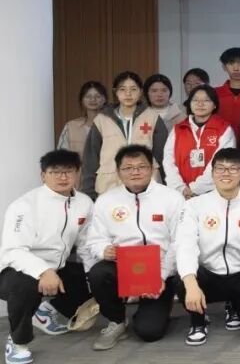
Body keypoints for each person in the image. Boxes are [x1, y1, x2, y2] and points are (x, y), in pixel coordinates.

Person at [83, 144, 185, 349]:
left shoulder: (172, 198)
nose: (135, 172)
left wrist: (161, 275)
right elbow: (94, 239)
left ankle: (155, 309)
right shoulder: (106, 200)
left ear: (152, 168)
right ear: (118, 171)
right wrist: (104, 249)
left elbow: (180, 241)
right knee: (99, 273)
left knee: (149, 332)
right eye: (128, 168)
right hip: (124, 266)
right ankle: (117, 321)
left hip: (161, 270)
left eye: (141, 167)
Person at [0, 150, 94, 363]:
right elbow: (14, 250)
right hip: (14, 270)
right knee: (25, 287)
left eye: (68, 171)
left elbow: (86, 243)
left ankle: (45, 313)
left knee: (95, 276)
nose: (63, 177)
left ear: (77, 173)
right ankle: (18, 342)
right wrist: (43, 271)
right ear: (43, 175)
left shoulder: (84, 202)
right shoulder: (24, 206)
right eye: (55, 172)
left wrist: (95, 269)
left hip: (58, 266)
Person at [175, 148, 240, 346]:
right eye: (220, 168)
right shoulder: (194, 206)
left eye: (233, 169)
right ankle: (198, 321)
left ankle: (235, 307)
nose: (226, 173)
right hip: (209, 275)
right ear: (212, 173)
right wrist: (191, 285)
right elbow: (185, 245)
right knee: (182, 278)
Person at [81, 71, 168, 198]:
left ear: (141, 92)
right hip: (110, 186)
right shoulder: (102, 120)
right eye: (122, 89)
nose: (128, 94)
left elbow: (163, 156)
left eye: (133, 89)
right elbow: (91, 159)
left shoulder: (152, 117)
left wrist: (166, 186)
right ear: (115, 92)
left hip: (147, 186)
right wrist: (89, 192)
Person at [164, 84, 236, 199]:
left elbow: (221, 163)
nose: (200, 104)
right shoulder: (178, 130)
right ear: (189, 103)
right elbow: (168, 161)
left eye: (206, 100)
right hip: (180, 195)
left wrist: (194, 189)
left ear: (214, 105)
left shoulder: (224, 129)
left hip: (213, 194)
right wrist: (180, 188)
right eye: (195, 100)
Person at [58, 81, 107, 164]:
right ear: (82, 100)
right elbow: (61, 156)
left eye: (97, 96)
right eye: (88, 96)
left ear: (104, 99)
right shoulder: (71, 127)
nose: (93, 99)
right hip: (78, 172)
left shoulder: (112, 125)